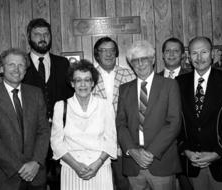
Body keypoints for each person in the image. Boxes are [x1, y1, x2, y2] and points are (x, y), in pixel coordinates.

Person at [176, 36, 222, 190]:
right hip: (193, 165)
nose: (199, 58)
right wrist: (185, 150)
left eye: (204, 52)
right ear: (188, 57)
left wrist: (217, 153)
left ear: (213, 54)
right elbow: (176, 122)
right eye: (194, 53)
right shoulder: (179, 82)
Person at [0, 48, 50, 190]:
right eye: (11, 64)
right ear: (1, 68)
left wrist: (35, 162)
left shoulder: (35, 94)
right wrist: (20, 168)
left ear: (26, 69)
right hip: (5, 178)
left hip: (36, 176)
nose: (16, 69)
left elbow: (44, 131)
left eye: (21, 65)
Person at [116, 40, 182, 190]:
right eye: (135, 60)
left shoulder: (169, 85)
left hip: (161, 161)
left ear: (152, 60)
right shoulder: (124, 89)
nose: (140, 64)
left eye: (144, 59)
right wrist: (132, 151)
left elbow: (174, 122)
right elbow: (120, 124)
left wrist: (150, 152)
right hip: (133, 164)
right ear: (131, 64)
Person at [22, 18, 74, 190]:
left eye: (46, 34)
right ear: (29, 37)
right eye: (37, 34)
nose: (42, 37)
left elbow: (70, 99)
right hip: (31, 139)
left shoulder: (63, 63)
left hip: (61, 137)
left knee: (62, 184)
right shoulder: (21, 65)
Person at [50, 59, 117, 190]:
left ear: (93, 83)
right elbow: (56, 142)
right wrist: (76, 165)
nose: (83, 84)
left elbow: (111, 140)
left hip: (100, 168)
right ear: (72, 83)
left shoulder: (105, 105)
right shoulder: (61, 106)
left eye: (87, 80)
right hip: (71, 168)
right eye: (78, 80)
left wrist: (97, 164)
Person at [92, 36, 135, 190]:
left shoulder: (130, 74)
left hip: (124, 140)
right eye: (104, 51)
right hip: (97, 141)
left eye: (112, 50)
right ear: (97, 54)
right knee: (102, 185)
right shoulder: (88, 76)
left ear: (117, 53)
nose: (108, 54)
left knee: (124, 184)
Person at [159, 37, 193, 190]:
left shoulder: (193, 77)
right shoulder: (153, 79)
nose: (171, 54)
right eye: (167, 51)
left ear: (183, 55)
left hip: (188, 146)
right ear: (162, 55)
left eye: (176, 51)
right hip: (161, 146)